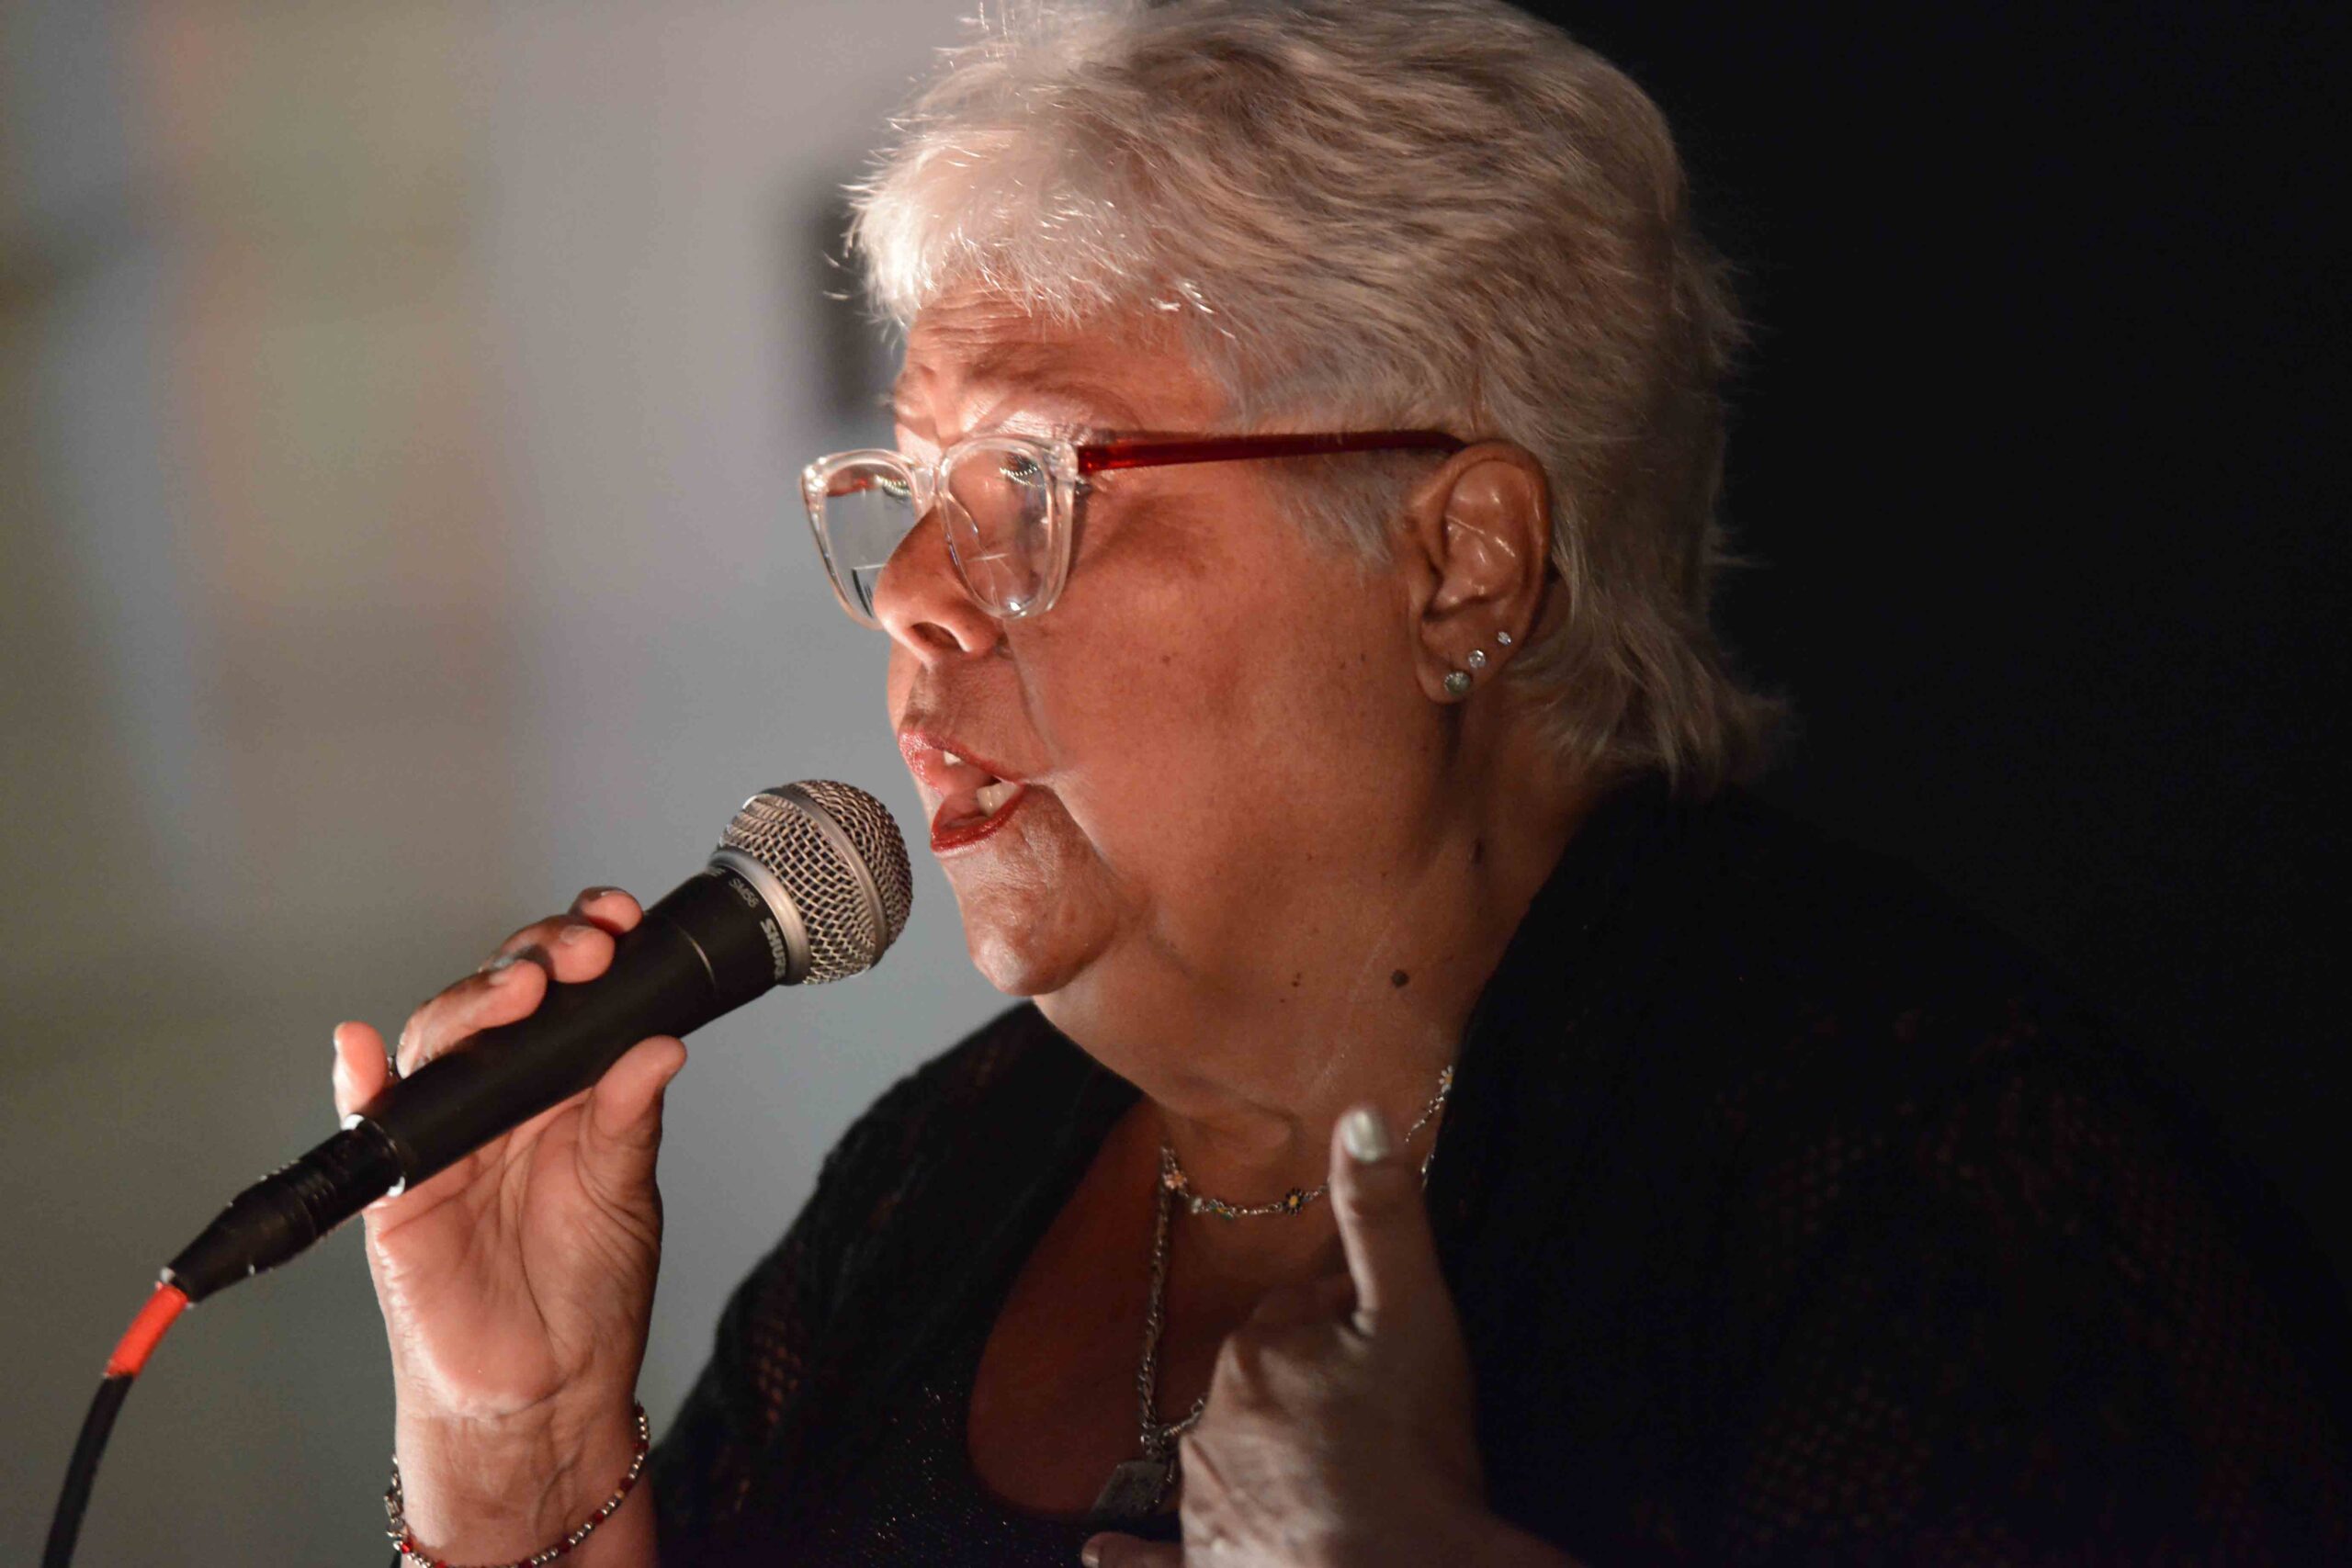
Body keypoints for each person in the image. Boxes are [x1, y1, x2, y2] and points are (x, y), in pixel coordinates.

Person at [332, 3, 2352, 1564]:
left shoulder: (1931, 1181)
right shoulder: (928, 1190)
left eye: (1031, 481)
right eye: (907, 492)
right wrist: (525, 1449)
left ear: (1457, 560)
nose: (919, 592)